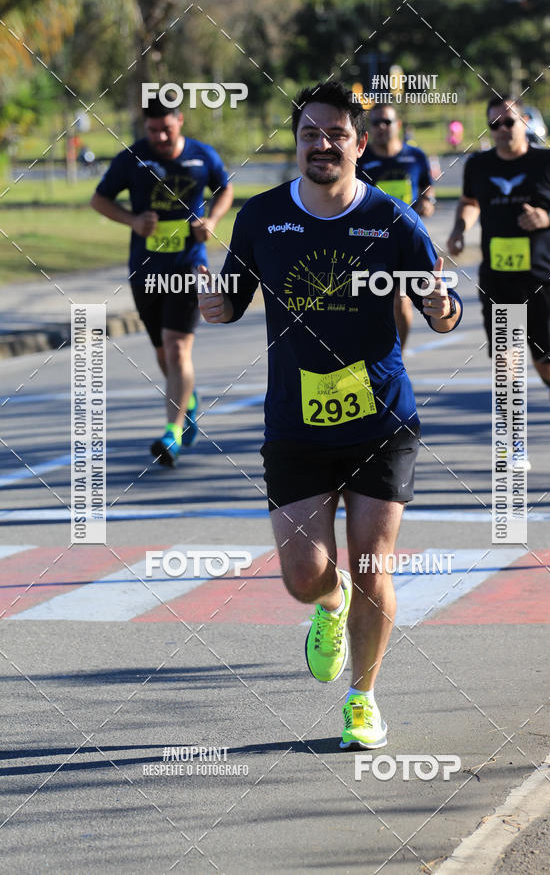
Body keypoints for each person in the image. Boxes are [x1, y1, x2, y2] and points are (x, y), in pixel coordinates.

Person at [199, 81, 462, 750]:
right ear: (297, 143)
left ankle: (363, 700)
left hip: (381, 421)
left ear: (359, 143)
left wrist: (439, 307)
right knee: (302, 576)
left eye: (336, 134)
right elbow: (228, 305)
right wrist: (204, 293)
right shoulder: (261, 219)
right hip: (295, 424)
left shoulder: (392, 220)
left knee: (374, 563)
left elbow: (446, 310)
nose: (322, 144)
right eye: (310, 133)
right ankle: (328, 601)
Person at [91, 98, 233, 466]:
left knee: (176, 349)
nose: (160, 137)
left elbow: (226, 190)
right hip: (146, 270)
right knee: (161, 351)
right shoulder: (133, 158)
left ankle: (171, 433)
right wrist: (133, 221)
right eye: (152, 130)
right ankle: (187, 396)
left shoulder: (203, 156)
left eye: (166, 128)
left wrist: (213, 220)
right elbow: (99, 200)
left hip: (190, 267)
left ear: (180, 120)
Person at [447, 95, 550, 445]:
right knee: (506, 362)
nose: (502, 129)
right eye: (494, 124)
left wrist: (548, 216)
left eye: (509, 121)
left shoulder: (547, 162)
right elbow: (469, 202)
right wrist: (460, 229)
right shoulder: (478, 165)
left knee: (544, 360)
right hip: (498, 278)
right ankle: (513, 438)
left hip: (541, 277)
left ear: (525, 121)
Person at [356, 103, 436, 347]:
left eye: (387, 122)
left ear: (398, 125)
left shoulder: (416, 156)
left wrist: (428, 202)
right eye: (376, 122)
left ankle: (397, 355)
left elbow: (427, 187)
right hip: (368, 239)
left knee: (399, 299)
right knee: (372, 302)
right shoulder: (361, 159)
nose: (382, 127)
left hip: (404, 239)